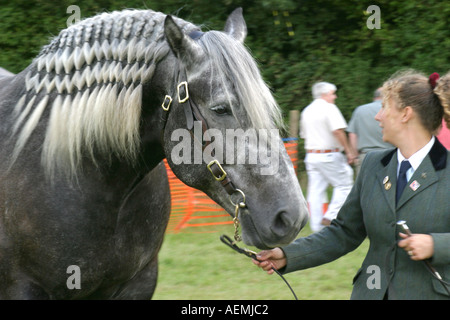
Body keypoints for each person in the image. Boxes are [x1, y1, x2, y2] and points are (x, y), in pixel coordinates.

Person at [253, 70, 450, 300]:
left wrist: (436, 244)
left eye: (385, 107)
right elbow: (344, 232)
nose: (378, 116)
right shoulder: (373, 165)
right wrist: (288, 255)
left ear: (406, 114)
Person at [299, 82, 356, 232]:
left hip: (311, 155)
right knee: (344, 184)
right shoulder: (329, 108)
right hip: (329, 154)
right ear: (324, 95)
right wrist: (349, 151)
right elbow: (338, 131)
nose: (334, 96)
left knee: (315, 190)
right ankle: (331, 216)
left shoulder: (307, 111)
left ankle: (316, 226)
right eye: (332, 93)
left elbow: (304, 135)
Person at [347, 88, 394, 175]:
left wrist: (355, 156)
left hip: (365, 157)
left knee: (364, 187)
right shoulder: (391, 110)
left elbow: (352, 135)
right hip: (389, 156)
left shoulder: (359, 110)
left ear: (374, 96)